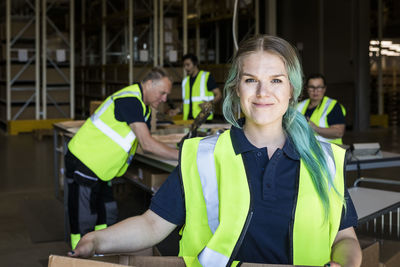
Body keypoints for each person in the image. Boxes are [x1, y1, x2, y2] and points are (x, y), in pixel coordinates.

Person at [69, 35, 362, 267]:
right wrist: (97, 241)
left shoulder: (322, 160)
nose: (263, 93)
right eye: (251, 80)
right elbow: (152, 224)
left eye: (276, 80)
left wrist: (346, 263)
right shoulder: (202, 157)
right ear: (236, 90)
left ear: (291, 90)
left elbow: (344, 236)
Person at [65, 67, 179, 249]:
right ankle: (78, 254)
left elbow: (143, 141)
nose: (165, 99)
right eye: (162, 92)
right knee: (84, 217)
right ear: (149, 84)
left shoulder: (144, 108)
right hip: (85, 161)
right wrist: (181, 154)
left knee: (106, 212)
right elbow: (147, 143)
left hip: (102, 168)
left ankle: (101, 252)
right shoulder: (130, 100)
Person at [169, 53, 222, 121]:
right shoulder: (185, 81)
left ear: (195, 64)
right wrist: (177, 110)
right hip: (188, 120)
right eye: (184, 65)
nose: (186, 68)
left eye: (188, 65)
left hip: (203, 119)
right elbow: (186, 102)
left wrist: (209, 103)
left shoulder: (205, 77)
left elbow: (219, 94)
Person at [297, 74, 346, 144]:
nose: (315, 91)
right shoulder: (298, 106)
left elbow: (339, 132)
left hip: (328, 153)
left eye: (319, 87)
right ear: (307, 88)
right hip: (305, 152)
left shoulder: (332, 106)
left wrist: (315, 128)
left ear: (324, 89)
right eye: (311, 87)